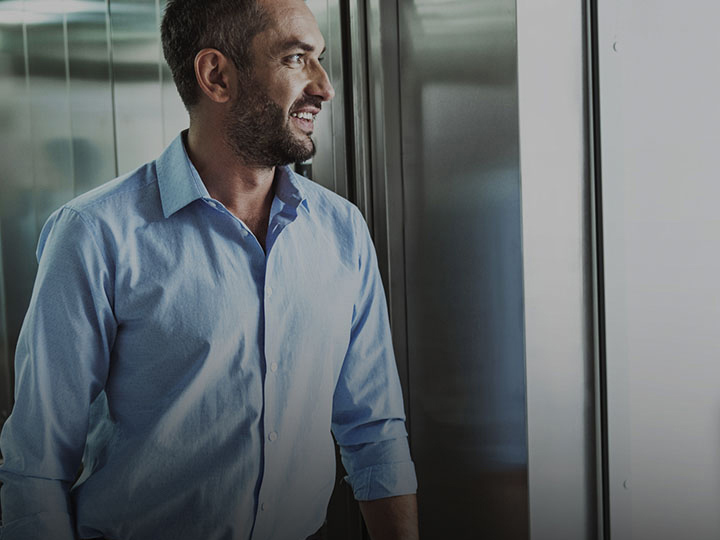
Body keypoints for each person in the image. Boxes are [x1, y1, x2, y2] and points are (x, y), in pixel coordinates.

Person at [0, 0, 418, 538]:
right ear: (216, 75)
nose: (324, 87)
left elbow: (375, 433)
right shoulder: (94, 234)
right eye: (296, 58)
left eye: (320, 58)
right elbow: (35, 466)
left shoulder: (342, 230)